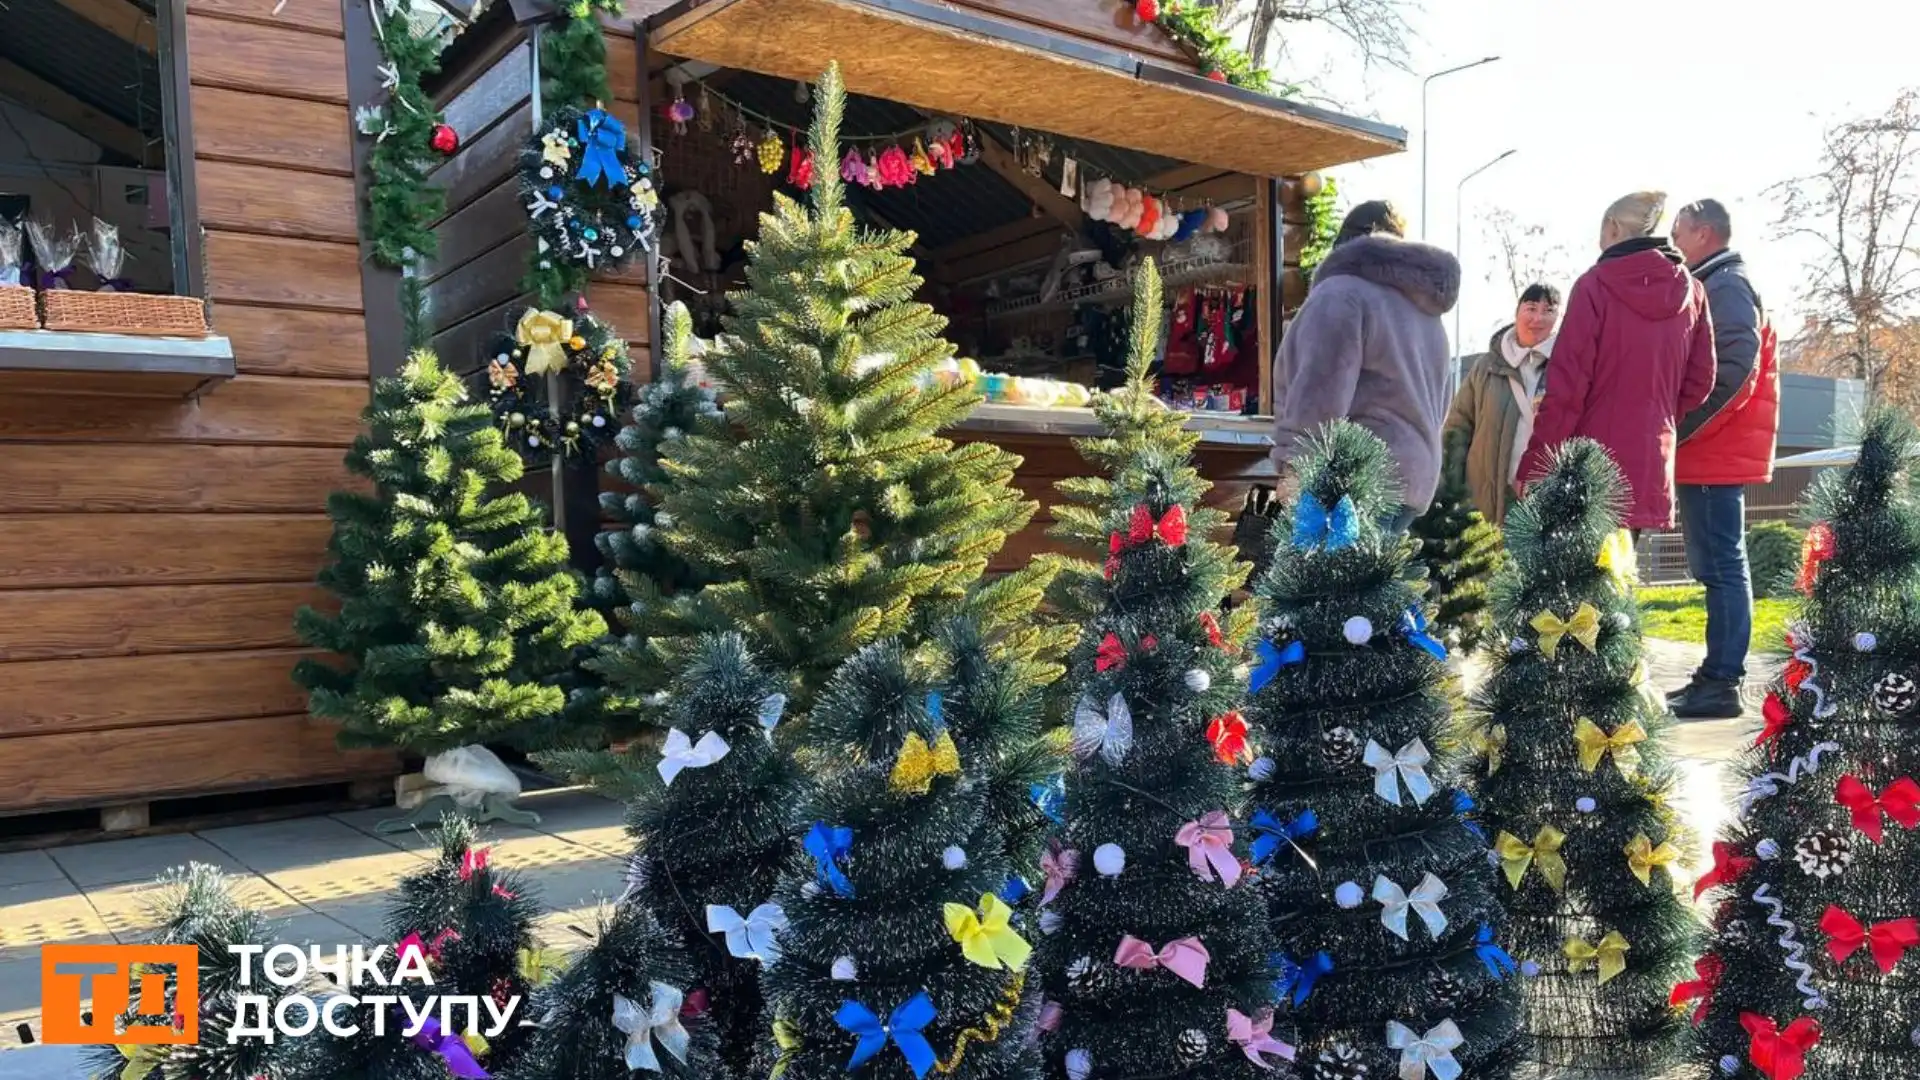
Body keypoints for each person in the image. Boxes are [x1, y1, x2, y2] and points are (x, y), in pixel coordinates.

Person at [1516, 191, 1716, 534]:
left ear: (1612, 228)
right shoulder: (1693, 293)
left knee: (1576, 581)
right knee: (1620, 572)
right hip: (1652, 457)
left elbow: (1567, 390)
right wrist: (1658, 416)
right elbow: (1701, 381)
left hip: (1589, 464)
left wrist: (1536, 465)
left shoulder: (1594, 286)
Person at [1270, 199, 1460, 532]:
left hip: (1353, 482)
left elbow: (1320, 390)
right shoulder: (1429, 316)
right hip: (1413, 482)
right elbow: (1440, 404)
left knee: (1323, 583)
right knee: (1376, 582)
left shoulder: (1342, 294)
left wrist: (1296, 467)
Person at [1663, 198, 1780, 718]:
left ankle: (1722, 681)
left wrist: (1680, 427)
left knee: (1723, 568)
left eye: (1678, 233)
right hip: (1710, 450)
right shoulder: (1716, 282)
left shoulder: (1726, 286)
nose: (1672, 242)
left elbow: (1733, 372)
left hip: (1714, 450)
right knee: (1716, 566)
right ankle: (1715, 675)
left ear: (1704, 234)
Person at [1442, 283, 1562, 524]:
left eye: (1548, 310)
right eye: (1530, 308)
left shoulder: (1567, 367)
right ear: (1516, 312)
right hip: (1484, 496)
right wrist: (1453, 485)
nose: (1538, 318)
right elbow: (1458, 426)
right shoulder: (1486, 367)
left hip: (1543, 495)